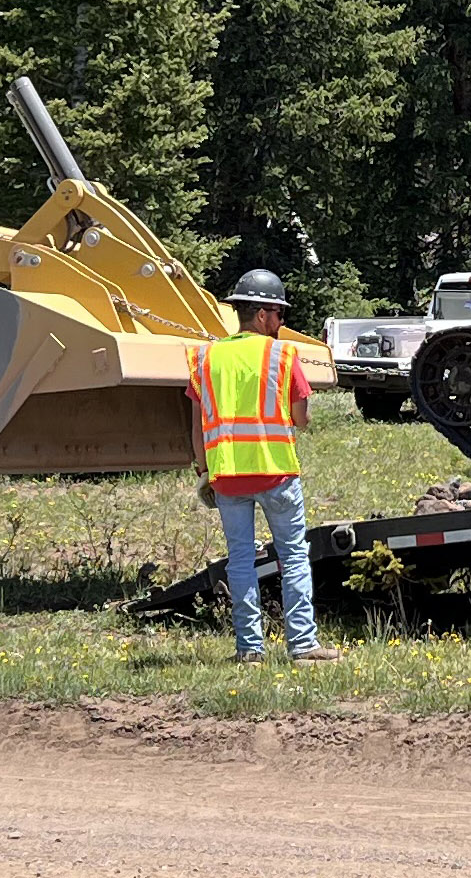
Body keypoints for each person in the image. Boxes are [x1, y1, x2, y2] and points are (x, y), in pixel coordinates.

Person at [190, 270, 342, 666]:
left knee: (240, 560)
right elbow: (301, 418)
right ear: (261, 315)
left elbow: (195, 423)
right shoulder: (282, 355)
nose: (281, 322)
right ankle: (303, 646)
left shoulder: (205, 357)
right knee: (293, 555)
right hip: (275, 473)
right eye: (278, 313)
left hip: (227, 476)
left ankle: (249, 650)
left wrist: (202, 470)